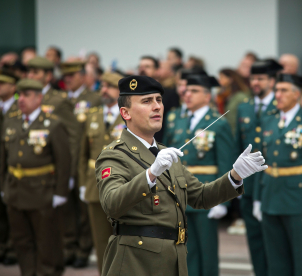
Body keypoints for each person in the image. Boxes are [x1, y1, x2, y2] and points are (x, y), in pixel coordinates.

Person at [95, 75, 267, 276]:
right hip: (137, 262)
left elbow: (200, 196)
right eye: (147, 101)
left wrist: (235, 175)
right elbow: (111, 203)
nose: (157, 106)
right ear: (125, 113)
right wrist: (151, 174)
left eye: (158, 100)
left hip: (173, 261)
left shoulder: (164, 153)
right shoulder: (114, 155)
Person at [253, 74, 302, 276]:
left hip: (296, 198)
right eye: (277, 90)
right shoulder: (269, 119)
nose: (278, 94)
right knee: (275, 260)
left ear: (297, 94)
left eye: (284, 90)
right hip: (270, 195)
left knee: (299, 259)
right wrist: (258, 198)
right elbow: (261, 162)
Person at [163, 74, 234, 276]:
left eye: (194, 91)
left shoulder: (217, 122)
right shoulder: (176, 119)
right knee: (185, 248)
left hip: (206, 194)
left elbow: (225, 163)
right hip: (179, 194)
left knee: (207, 250)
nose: (188, 95)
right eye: (186, 91)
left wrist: (223, 200)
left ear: (207, 96)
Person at [0, 79, 71, 276]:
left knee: (46, 241)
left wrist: (60, 192)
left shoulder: (53, 124)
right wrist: (3, 186)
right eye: (19, 95)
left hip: (42, 191)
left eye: (26, 95)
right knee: (21, 241)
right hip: (15, 190)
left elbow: (64, 161)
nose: (21, 99)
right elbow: (4, 158)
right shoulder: (11, 121)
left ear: (39, 98)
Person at [234, 60, 281, 276]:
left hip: (273, 183)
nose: (255, 82)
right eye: (253, 78)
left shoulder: (279, 106)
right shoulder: (243, 107)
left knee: (274, 242)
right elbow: (238, 145)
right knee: (255, 241)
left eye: (260, 78)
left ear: (272, 81)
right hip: (250, 185)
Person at [78, 72, 124, 274]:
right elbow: (82, 153)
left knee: (124, 240)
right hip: (95, 185)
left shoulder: (130, 115)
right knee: (101, 241)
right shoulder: (92, 115)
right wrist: (81, 182)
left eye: (109, 86)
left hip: (124, 185)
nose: (103, 90)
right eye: (102, 85)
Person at [60, 60, 101, 267]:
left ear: (83, 76)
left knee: (85, 211)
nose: (68, 79)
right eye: (65, 76)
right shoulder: (60, 100)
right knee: (66, 208)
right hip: (63, 161)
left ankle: (83, 250)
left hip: (84, 160)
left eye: (73, 75)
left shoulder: (94, 99)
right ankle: (68, 247)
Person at [0, 69, 19, 266]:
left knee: (13, 209)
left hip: (14, 164)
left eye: (3, 83)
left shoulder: (18, 108)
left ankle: (12, 248)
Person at [139, 56, 180, 142]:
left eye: (147, 67)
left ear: (157, 71)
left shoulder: (169, 93)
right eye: (140, 67)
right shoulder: (135, 95)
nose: (142, 70)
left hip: (159, 142)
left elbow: (172, 122)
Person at [217, 68, 250, 134]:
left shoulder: (241, 97)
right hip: (226, 132)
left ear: (230, 79)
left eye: (222, 77)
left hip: (236, 133)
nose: (219, 80)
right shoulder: (223, 96)